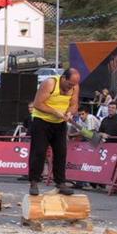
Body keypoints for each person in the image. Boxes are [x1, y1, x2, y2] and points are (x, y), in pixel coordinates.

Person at [28, 68, 81, 196]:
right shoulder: (50, 83)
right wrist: (55, 112)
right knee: (39, 151)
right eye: (69, 84)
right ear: (63, 78)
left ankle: (60, 182)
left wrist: (70, 113)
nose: (70, 87)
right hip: (42, 121)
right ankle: (34, 181)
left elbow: (74, 105)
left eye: (73, 85)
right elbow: (38, 104)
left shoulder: (74, 87)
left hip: (59, 123)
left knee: (61, 152)